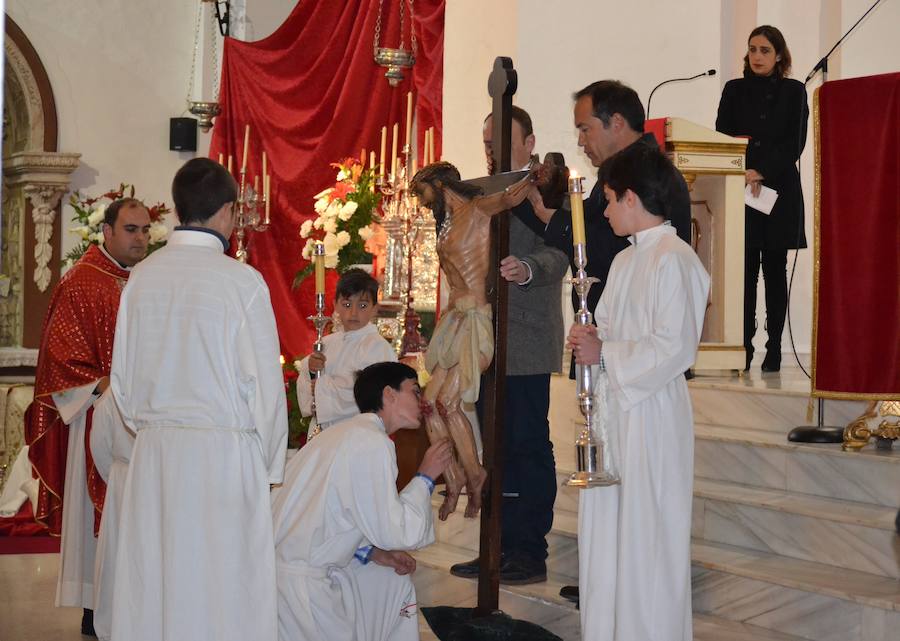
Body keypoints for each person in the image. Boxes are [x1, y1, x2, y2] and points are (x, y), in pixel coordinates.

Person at [109, 158, 288, 641]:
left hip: (156, 457)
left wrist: (154, 430)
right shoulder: (241, 281)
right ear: (228, 212)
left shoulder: (141, 278)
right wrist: (269, 469)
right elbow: (266, 392)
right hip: (224, 459)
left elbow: (121, 386)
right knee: (223, 587)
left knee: (159, 584)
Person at [567, 145, 709, 641]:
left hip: (651, 415)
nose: (604, 213)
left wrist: (604, 352)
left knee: (647, 537)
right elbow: (605, 333)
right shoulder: (626, 263)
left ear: (631, 198)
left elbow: (676, 347)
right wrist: (587, 340)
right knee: (608, 535)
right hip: (615, 414)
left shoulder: (677, 259)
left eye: (608, 200)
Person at [449, 108, 568, 585]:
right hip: (484, 337)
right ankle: (493, 548)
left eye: (500, 139)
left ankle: (528, 551)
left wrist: (529, 268)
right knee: (490, 446)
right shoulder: (481, 192)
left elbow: (563, 251)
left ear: (530, 140)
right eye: (486, 141)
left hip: (528, 336)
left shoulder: (544, 189)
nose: (491, 148)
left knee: (525, 444)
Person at [24, 198, 151, 636]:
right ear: (108, 232)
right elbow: (59, 356)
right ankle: (94, 608)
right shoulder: (82, 281)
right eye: (132, 230)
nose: (141, 239)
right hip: (96, 417)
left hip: (141, 419)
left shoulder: (145, 281)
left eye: (146, 231)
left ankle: (129, 602)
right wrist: (107, 388)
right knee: (95, 520)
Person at [272, 361, 452, 641]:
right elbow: (397, 531)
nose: (421, 401)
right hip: (302, 586)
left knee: (392, 583)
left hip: (289, 571)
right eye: (414, 391)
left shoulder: (344, 434)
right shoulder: (371, 442)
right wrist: (425, 478)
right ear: (389, 394)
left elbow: (336, 513)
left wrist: (371, 553)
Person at [410, 162, 535, 521]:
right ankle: (455, 477)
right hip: (454, 320)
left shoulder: (479, 209)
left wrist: (536, 174)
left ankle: (475, 471)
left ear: (438, 184)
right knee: (429, 405)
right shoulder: (445, 223)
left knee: (447, 403)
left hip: (477, 318)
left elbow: (512, 196)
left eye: (422, 192)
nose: (421, 202)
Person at [716, 25, 808, 372]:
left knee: (774, 270)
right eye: (753, 49)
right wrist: (743, 171)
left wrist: (761, 171)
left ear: (779, 55)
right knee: (743, 272)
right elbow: (723, 135)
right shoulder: (734, 90)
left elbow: (793, 143)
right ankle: (743, 346)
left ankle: (773, 349)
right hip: (740, 190)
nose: (757, 56)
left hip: (778, 191)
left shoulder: (794, 92)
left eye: (765, 50)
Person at [296, 268, 396, 432]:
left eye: (362, 305)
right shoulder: (327, 343)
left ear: (374, 308)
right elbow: (306, 383)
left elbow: (367, 395)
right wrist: (311, 370)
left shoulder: (378, 347)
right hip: (323, 433)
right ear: (335, 305)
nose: (353, 313)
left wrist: (321, 389)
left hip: (357, 434)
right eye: (347, 304)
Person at [88, 390, 133, 641]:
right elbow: (100, 450)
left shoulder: (109, 399)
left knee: (119, 554)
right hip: (128, 480)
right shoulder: (109, 399)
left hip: (122, 480)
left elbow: (100, 450)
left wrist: (118, 476)